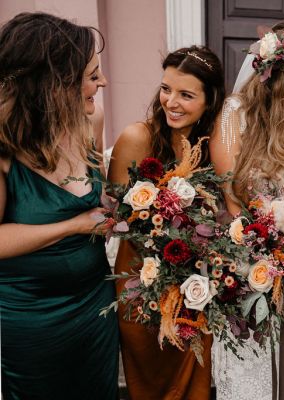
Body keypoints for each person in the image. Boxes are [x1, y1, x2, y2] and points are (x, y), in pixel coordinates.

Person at [209, 22, 284, 400]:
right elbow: (232, 200)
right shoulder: (235, 115)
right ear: (280, 73)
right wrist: (270, 254)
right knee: (255, 374)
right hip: (254, 272)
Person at [0, 12, 118, 399]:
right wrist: (74, 225)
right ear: (55, 83)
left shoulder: (90, 121)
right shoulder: (4, 149)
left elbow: (97, 194)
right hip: (31, 319)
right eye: (92, 75)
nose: (102, 83)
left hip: (96, 306)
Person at [107, 45, 224, 400]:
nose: (170, 102)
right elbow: (116, 217)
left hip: (195, 292)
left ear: (210, 100)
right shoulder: (136, 138)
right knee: (150, 385)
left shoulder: (214, 146)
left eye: (186, 94)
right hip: (140, 287)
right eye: (165, 89)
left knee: (194, 385)